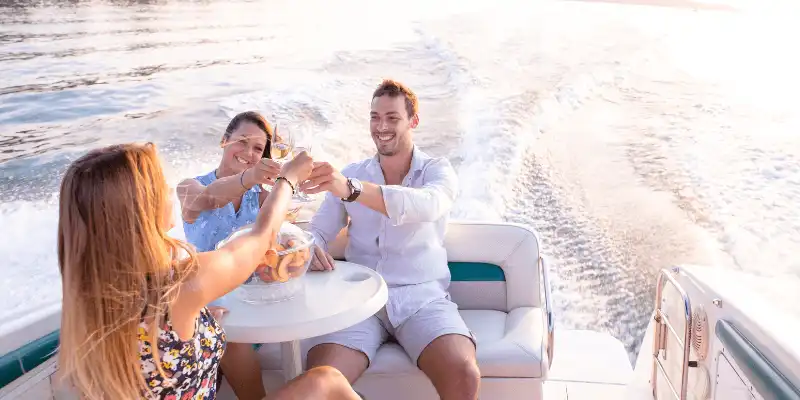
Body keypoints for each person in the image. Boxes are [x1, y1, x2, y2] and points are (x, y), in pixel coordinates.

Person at [56, 142, 361, 400]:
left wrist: (198, 321)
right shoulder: (181, 284)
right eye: (160, 186)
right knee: (325, 382)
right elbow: (261, 238)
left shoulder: (90, 296)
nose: (168, 191)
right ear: (139, 209)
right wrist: (289, 178)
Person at [299, 79, 481, 400]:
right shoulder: (353, 172)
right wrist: (312, 247)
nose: (381, 126)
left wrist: (352, 189)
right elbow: (318, 231)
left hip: (422, 298)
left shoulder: (437, 171)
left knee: (463, 373)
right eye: (375, 117)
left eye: (392, 118)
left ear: (413, 121)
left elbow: (427, 205)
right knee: (320, 379)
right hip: (359, 300)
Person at [176, 111, 280, 399]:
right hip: (204, 304)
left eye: (258, 149)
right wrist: (250, 177)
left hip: (252, 300)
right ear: (224, 141)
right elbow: (207, 199)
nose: (249, 152)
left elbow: (278, 237)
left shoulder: (261, 196)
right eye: (242, 142)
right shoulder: (189, 187)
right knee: (229, 340)